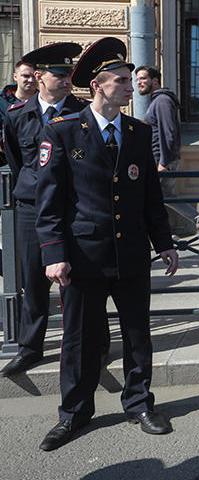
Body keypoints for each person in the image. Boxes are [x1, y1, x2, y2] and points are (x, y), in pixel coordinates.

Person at [35, 37, 178, 451]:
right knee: (79, 339)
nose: (130, 86)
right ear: (98, 85)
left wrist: (164, 243)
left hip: (131, 253)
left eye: (131, 80)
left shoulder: (138, 132)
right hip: (83, 257)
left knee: (137, 334)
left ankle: (139, 403)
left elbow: (151, 196)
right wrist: (55, 255)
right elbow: (50, 203)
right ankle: (74, 414)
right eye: (121, 80)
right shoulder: (62, 132)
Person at [0, 43, 88, 378]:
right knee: (32, 281)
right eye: (60, 74)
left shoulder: (82, 113)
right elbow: (17, 161)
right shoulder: (18, 114)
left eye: (69, 74)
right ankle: (30, 347)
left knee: (79, 281)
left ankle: (85, 343)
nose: (66, 80)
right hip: (31, 209)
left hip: (71, 207)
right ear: (39, 76)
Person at [134, 65, 199, 232]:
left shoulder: (162, 101)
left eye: (143, 78)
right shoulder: (157, 101)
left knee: (146, 198)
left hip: (162, 161)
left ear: (155, 81)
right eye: (137, 79)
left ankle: (153, 237)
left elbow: (169, 133)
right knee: (166, 197)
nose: (139, 82)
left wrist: (164, 163)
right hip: (161, 160)